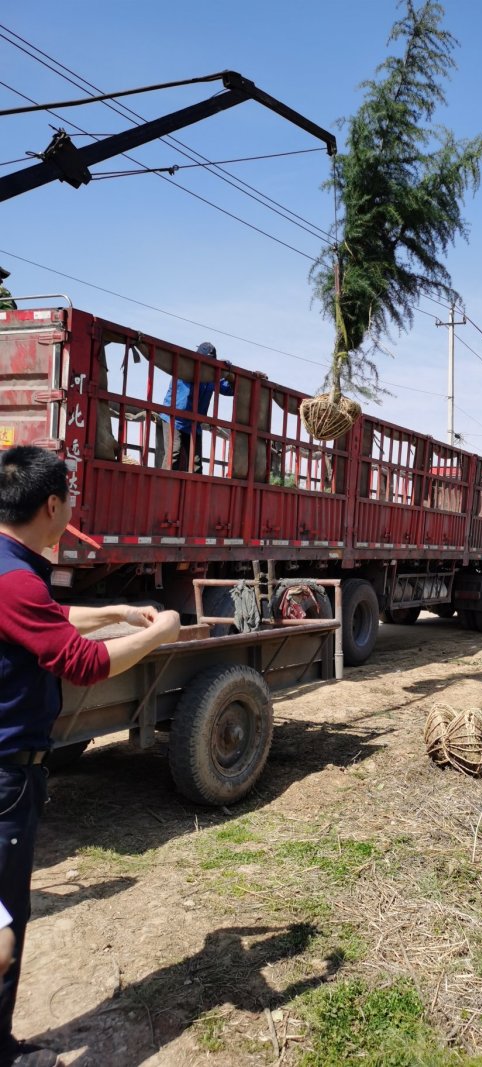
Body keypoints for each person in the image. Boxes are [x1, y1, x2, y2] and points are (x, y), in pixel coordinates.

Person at [0, 445, 181, 1067]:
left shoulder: (8, 566)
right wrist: (158, 633)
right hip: (6, 777)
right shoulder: (15, 580)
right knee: (2, 925)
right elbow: (78, 661)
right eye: (69, 498)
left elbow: (42, 617)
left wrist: (113, 610)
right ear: (53, 506)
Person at [159, 342, 235, 472]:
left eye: (211, 363)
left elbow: (230, 389)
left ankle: (195, 491)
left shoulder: (212, 376)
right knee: (173, 455)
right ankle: (163, 488)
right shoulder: (187, 368)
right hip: (174, 418)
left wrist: (229, 373)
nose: (208, 366)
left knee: (196, 463)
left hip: (194, 423)